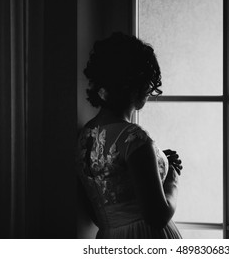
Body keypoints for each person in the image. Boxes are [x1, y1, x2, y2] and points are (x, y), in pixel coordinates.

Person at [76, 32, 183, 238]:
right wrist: (172, 179)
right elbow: (158, 216)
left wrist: (157, 160)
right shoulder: (133, 137)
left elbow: (100, 213)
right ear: (136, 83)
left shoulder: (84, 137)